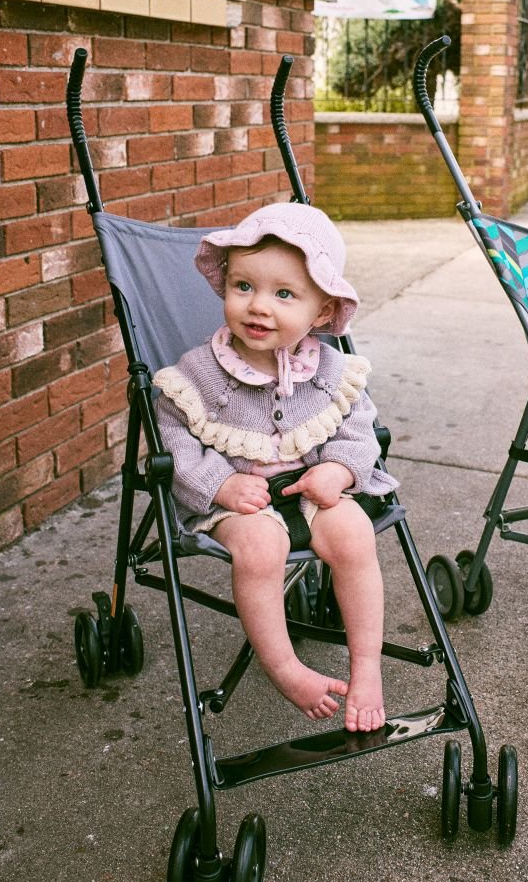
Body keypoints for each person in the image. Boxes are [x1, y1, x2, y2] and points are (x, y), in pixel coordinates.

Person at [152, 203, 395, 732]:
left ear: (322, 311)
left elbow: (358, 430)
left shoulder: (331, 370)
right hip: (239, 500)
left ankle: (366, 665)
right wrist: (219, 484)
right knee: (261, 549)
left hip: (313, 487)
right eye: (243, 286)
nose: (258, 306)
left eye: (284, 294)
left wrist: (341, 471)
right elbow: (173, 439)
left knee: (354, 533)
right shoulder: (198, 374)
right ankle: (285, 669)